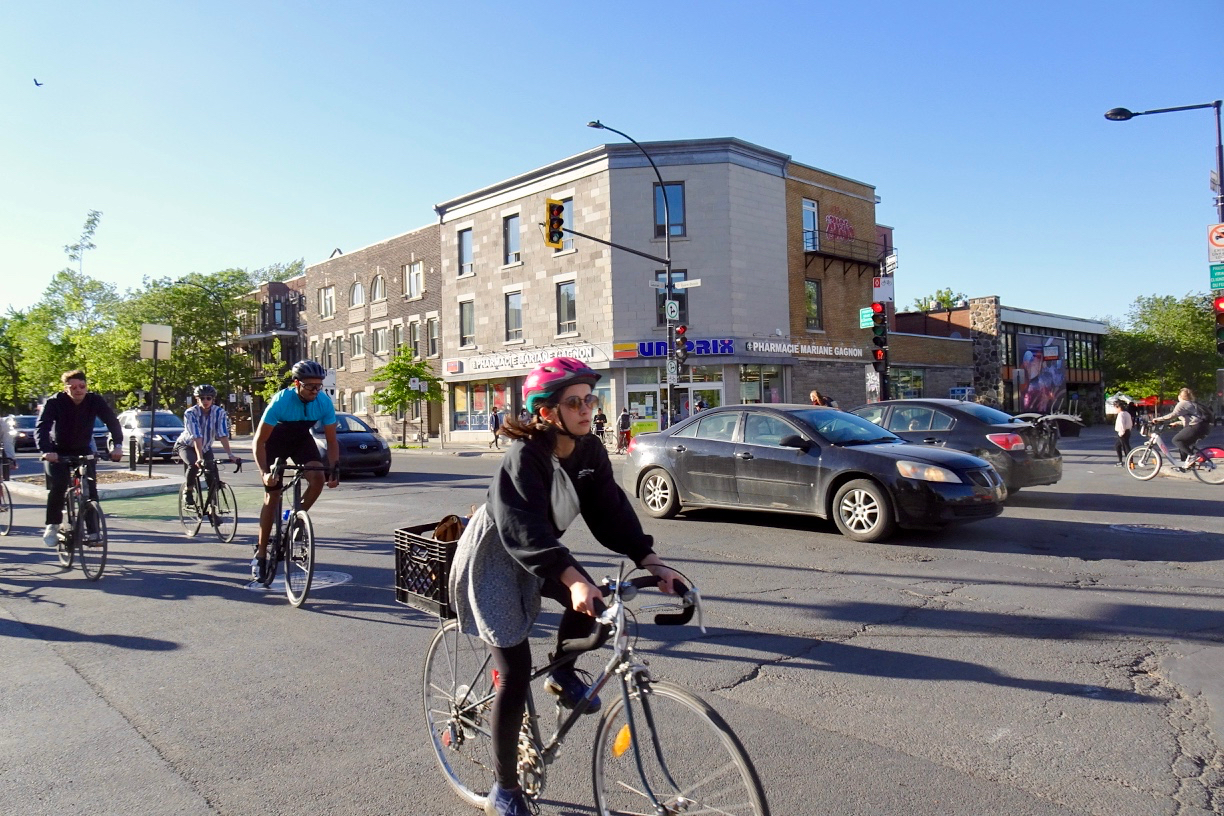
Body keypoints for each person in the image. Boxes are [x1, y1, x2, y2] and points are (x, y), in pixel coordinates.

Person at [448, 357, 683, 816]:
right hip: (497, 556)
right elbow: (521, 530)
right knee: (514, 670)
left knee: (591, 601)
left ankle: (560, 672)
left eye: (589, 399)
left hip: (541, 552)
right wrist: (571, 578)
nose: (586, 408)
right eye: (573, 402)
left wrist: (651, 561)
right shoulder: (525, 455)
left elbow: (611, 512)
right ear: (547, 411)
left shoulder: (589, 451)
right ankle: (504, 789)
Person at [251, 360, 340, 584]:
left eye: (319, 386)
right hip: (274, 442)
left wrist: (334, 469)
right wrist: (264, 472)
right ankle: (260, 554)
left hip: (300, 440)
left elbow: (331, 440)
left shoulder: (323, 402)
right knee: (272, 494)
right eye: (310, 386)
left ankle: (294, 518)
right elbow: (259, 441)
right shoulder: (281, 401)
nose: (315, 391)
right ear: (297, 383)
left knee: (318, 477)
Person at [35, 370, 123, 547]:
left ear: (86, 386)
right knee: (59, 486)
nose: (78, 390)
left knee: (90, 491)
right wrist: (46, 451)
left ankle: (93, 532)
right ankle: (52, 525)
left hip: (83, 450)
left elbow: (112, 421)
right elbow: (42, 427)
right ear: (66, 388)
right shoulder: (54, 402)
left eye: (82, 386)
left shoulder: (94, 400)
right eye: (73, 387)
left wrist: (118, 445)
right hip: (57, 452)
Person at [175, 384, 240, 505]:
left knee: (212, 476)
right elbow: (196, 436)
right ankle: (188, 491)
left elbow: (222, 434)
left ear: (213, 399)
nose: (205, 401)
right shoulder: (190, 413)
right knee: (194, 465)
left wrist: (231, 455)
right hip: (186, 445)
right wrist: (199, 458)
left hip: (205, 447)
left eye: (208, 398)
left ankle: (213, 509)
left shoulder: (219, 412)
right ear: (197, 399)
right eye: (202, 398)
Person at [1155, 387, 1210, 470]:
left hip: (1196, 426)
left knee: (1176, 440)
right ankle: (1184, 466)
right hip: (1202, 427)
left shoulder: (1183, 403)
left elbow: (1172, 415)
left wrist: (1158, 419)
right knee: (1183, 446)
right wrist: (1177, 423)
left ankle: (1192, 456)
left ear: (1180, 396)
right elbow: (1190, 419)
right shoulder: (1191, 403)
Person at [1112, 399, 1133, 467]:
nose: (1115, 409)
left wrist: (1121, 433)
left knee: (1125, 447)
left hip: (1123, 432)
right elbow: (1130, 423)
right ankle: (1121, 461)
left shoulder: (1121, 414)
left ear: (1118, 407)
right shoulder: (1127, 413)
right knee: (1118, 446)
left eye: (1115, 407)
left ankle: (1129, 461)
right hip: (1127, 431)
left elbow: (1121, 425)